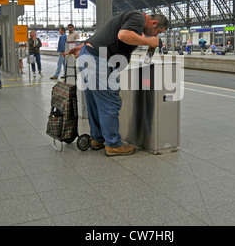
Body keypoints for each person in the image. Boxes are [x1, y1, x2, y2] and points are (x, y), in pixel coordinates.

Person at [68, 10, 168, 156]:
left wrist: (84, 46)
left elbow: (107, 33)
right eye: (157, 31)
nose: (154, 36)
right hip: (98, 60)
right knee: (110, 101)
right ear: (154, 23)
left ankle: (98, 139)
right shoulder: (139, 18)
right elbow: (123, 35)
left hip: (89, 54)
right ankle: (113, 144)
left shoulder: (132, 21)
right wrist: (149, 42)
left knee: (96, 102)